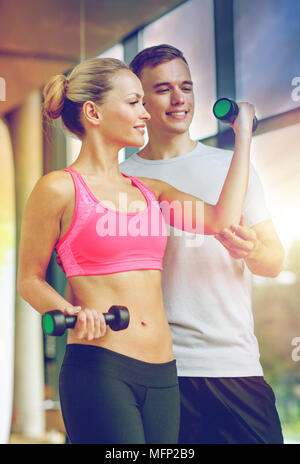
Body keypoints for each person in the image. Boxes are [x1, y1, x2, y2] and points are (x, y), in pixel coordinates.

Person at [17, 57, 255, 444]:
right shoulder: (59, 188)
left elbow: (221, 219)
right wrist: (70, 312)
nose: (145, 113)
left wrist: (243, 136)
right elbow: (28, 279)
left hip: (164, 373)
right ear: (93, 112)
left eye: (144, 102)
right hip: (100, 368)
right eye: (133, 103)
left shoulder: (150, 191)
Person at [120, 44, 285, 444]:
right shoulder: (122, 178)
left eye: (186, 86)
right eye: (162, 90)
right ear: (139, 101)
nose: (179, 99)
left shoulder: (231, 169)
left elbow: (274, 259)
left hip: (233, 364)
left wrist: (252, 250)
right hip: (156, 369)